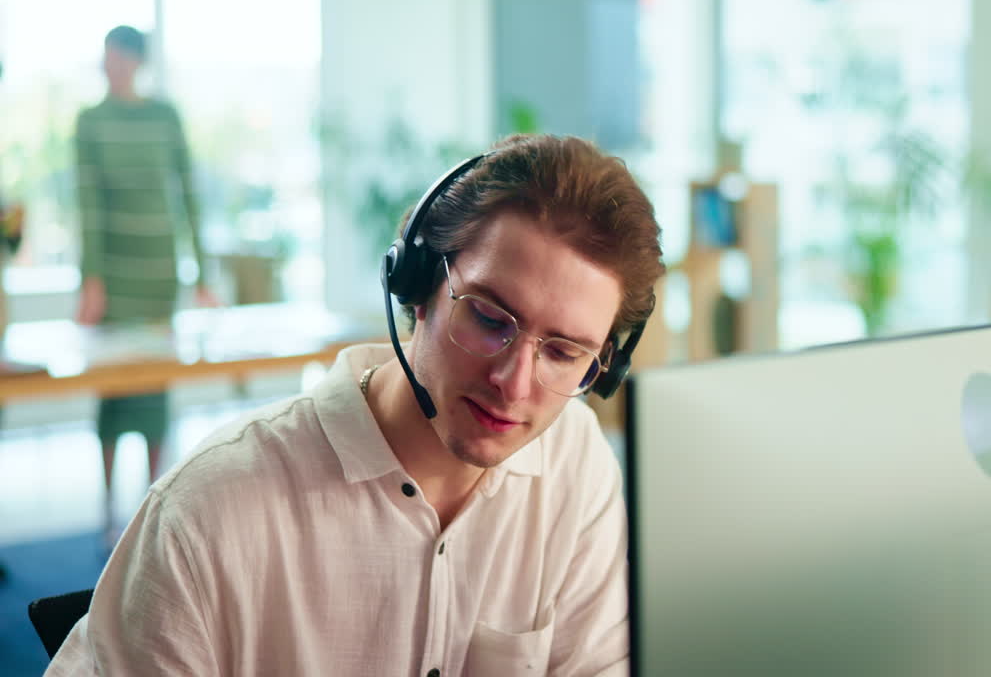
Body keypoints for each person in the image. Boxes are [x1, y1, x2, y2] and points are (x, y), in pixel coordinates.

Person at [46, 133, 665, 675]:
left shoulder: (575, 463)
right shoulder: (209, 513)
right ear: (417, 285)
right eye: (488, 317)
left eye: (562, 352)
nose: (514, 380)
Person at [72, 25, 216, 544]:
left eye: (121, 56)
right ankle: (109, 507)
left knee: (154, 386)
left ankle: (151, 501)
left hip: (158, 272)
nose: (113, 64)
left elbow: (188, 194)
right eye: (107, 55)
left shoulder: (165, 117)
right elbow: (87, 204)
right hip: (113, 275)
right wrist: (90, 280)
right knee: (113, 391)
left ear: (136, 60)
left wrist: (201, 271)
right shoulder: (90, 122)